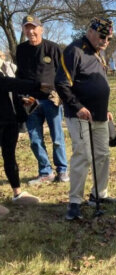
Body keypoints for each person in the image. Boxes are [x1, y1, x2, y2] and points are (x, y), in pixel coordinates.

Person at [55, 17, 116, 220]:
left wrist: (106, 108)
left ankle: (98, 194)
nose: (105, 41)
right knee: (83, 155)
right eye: (103, 36)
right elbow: (61, 83)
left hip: (100, 115)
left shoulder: (98, 54)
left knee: (103, 155)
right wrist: (78, 107)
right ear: (90, 31)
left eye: (109, 38)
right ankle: (74, 202)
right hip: (80, 116)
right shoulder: (74, 50)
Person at [16, 15, 69, 185]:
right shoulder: (21, 49)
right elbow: (20, 75)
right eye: (27, 27)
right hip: (30, 101)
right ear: (24, 30)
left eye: (34, 27)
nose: (30, 31)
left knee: (57, 137)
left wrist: (60, 93)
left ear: (41, 29)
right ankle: (45, 172)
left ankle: (62, 170)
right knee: (35, 139)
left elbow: (63, 73)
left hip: (50, 100)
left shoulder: (52, 48)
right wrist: (21, 95)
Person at [0, 56, 45, 215]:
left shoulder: (3, 70)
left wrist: (21, 100)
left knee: (10, 157)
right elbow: (8, 83)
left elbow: (8, 91)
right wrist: (38, 85)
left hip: (9, 121)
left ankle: (17, 194)